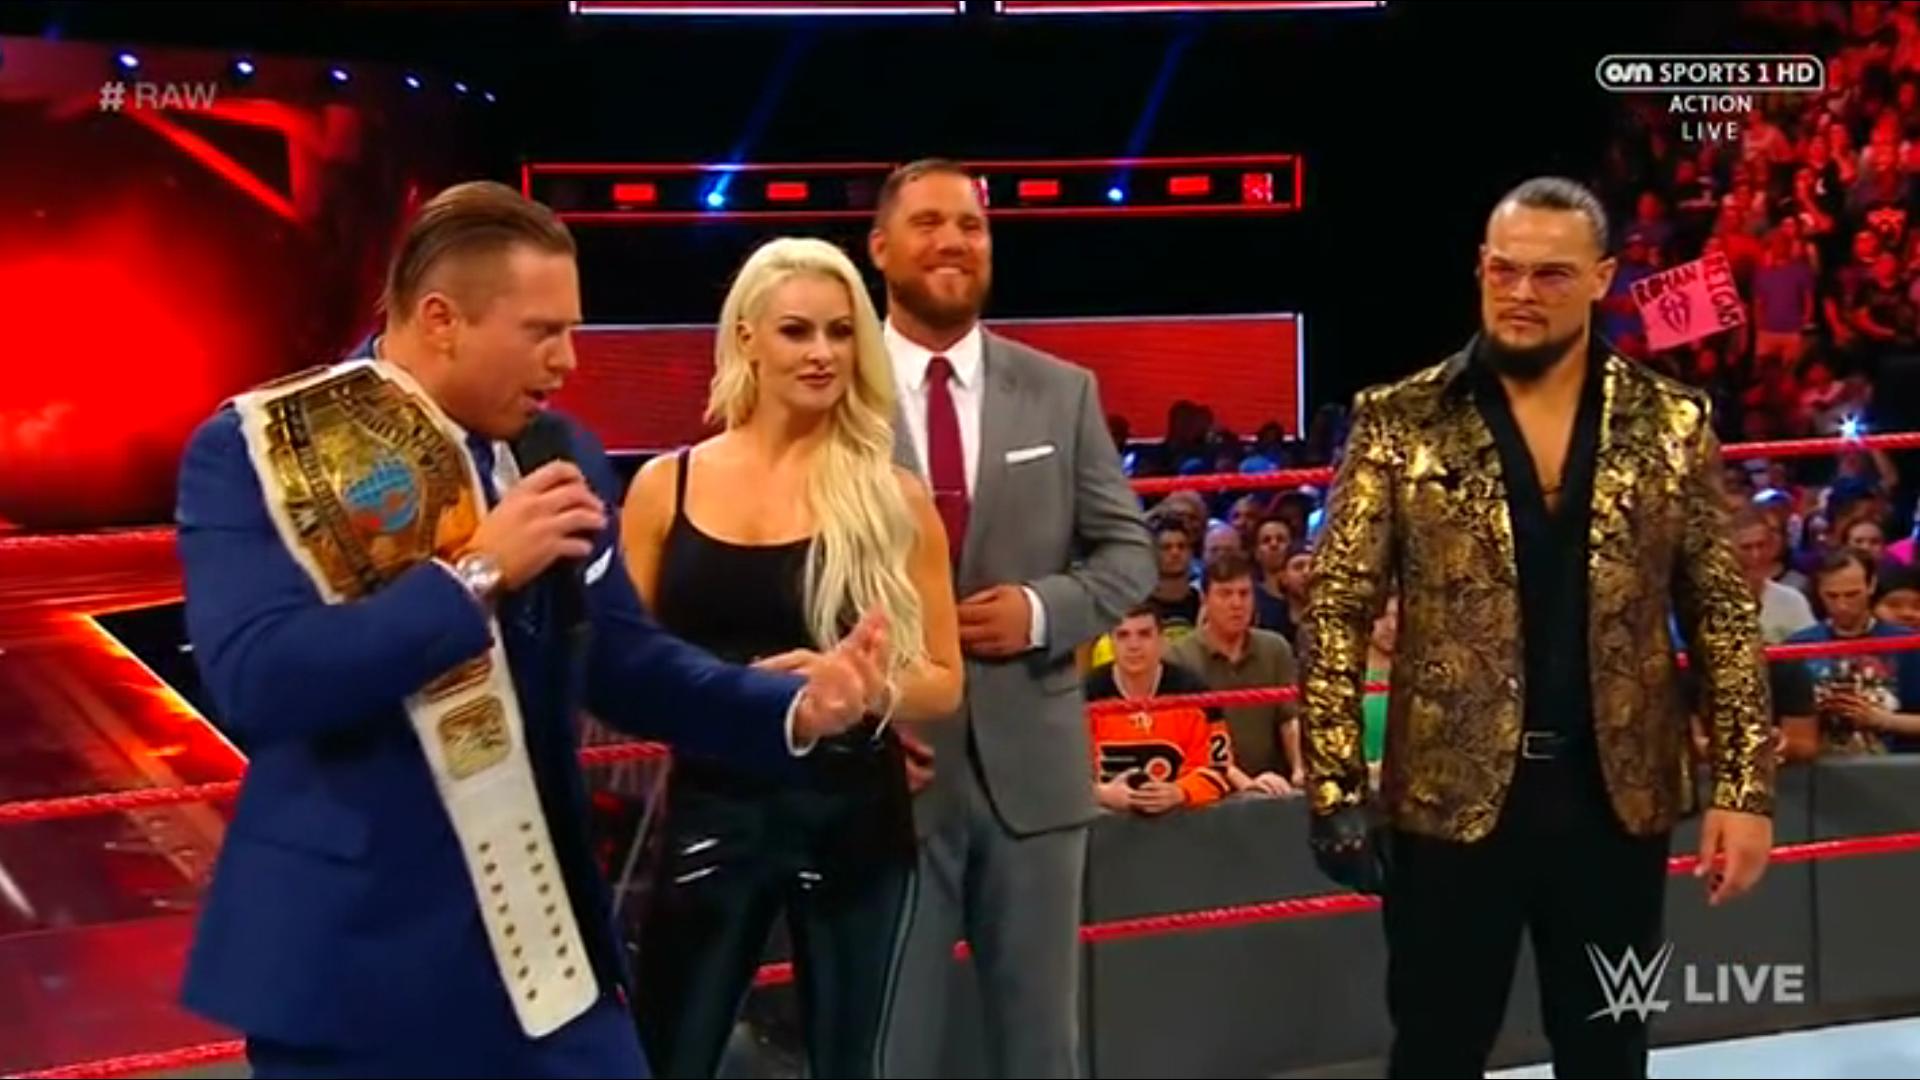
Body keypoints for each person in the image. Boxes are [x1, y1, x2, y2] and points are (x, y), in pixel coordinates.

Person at [173, 181, 889, 1079]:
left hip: (544, 954)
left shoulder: (558, 453)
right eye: (542, 332)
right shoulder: (254, 452)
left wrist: (788, 706)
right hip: (350, 967)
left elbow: (624, 658)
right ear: (443, 320)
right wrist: (475, 574)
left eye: (571, 330)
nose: (567, 360)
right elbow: (261, 680)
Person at [1302, 177, 1776, 1079]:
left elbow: (1720, 610)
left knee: (1610, 1048)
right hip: (1447, 797)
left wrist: (1745, 788)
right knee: (1436, 1050)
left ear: (1602, 278)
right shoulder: (1401, 417)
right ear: (1481, 268)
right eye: (1504, 271)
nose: (1521, 293)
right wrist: (1333, 786)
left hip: (1617, 799)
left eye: (1551, 275)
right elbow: (1336, 607)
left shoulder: (1672, 421)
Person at [617, 237, 963, 1078]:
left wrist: (866, 689)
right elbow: (624, 668)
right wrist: (737, 698)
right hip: (712, 808)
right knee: (668, 1057)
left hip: (852, 813)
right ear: (747, 338)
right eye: (797, 331)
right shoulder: (666, 488)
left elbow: (944, 681)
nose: (822, 354)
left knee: (848, 1061)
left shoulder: (891, 497)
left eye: (841, 333)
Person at [870, 158, 1155, 1079]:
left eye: (972, 224)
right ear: (880, 247)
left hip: (1033, 771)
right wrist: (854, 706)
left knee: (1041, 1049)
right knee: (889, 1047)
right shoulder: (835, 391)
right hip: (885, 770)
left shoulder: (1062, 391)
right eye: (928, 222)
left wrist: (1040, 611)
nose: (953, 241)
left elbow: (1130, 553)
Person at [1165, 551, 1302, 796]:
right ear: (1205, 599)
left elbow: (1290, 718)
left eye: (1244, 593)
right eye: (1225, 594)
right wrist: (1244, 783)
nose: (1237, 604)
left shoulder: (1275, 648)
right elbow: (1194, 740)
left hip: (1275, 786)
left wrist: (1299, 769)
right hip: (1207, 790)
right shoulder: (1179, 657)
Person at [1085, 605, 1232, 815]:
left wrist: (1180, 792)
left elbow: (1218, 770)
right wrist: (1102, 794)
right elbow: (1058, 776)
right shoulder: (1085, 696)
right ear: (1111, 641)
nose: (1134, 646)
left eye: (1144, 634)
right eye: (1123, 635)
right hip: (1103, 822)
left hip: (1182, 821)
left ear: (1162, 641)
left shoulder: (1194, 694)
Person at [1786, 549, 1920, 754]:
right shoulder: (1797, 647)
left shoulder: (1907, 644)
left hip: (1892, 765)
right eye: (1832, 596)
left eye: (1852, 594)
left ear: (1871, 585)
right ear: (1819, 591)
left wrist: (1883, 720)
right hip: (1816, 765)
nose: (1842, 606)